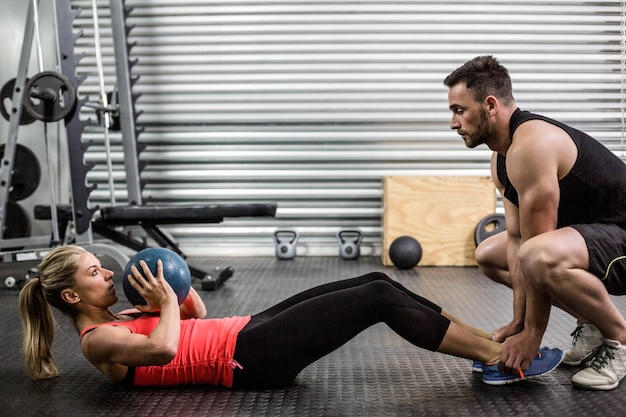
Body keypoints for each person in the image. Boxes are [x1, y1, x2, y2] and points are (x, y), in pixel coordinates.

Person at [19, 245, 561, 389]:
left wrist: (174, 282)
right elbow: (164, 350)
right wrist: (162, 306)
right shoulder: (97, 340)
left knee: (375, 283)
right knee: (376, 302)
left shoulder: (124, 312)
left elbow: (195, 313)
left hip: (244, 330)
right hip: (248, 359)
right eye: (95, 274)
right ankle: (503, 359)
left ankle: (482, 345)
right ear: (71, 298)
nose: (109, 275)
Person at [444, 55, 626, 391]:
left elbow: (536, 249)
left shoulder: (531, 145)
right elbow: (516, 240)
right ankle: (592, 324)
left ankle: (620, 340)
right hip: (592, 240)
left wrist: (533, 335)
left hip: (621, 241)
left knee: (539, 255)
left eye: (459, 110)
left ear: (490, 105)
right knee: (490, 255)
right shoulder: (501, 157)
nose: (453, 123)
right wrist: (519, 322)